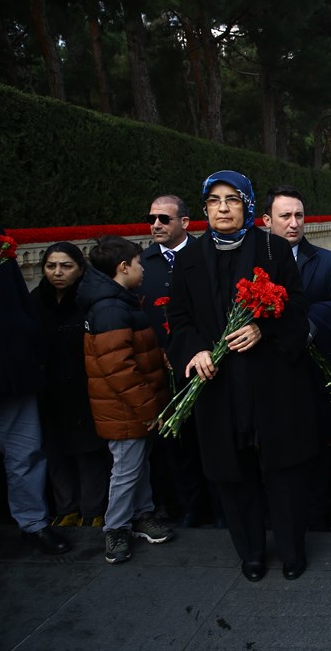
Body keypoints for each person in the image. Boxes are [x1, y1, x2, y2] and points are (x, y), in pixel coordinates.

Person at [167, 170, 317, 582]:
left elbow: (298, 310)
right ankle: (250, 553)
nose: (223, 207)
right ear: (204, 209)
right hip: (219, 387)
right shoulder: (189, 258)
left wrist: (261, 329)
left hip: (270, 383)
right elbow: (178, 319)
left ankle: (291, 551)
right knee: (233, 474)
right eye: (214, 200)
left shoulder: (272, 248)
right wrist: (196, 349)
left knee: (283, 472)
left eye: (232, 199)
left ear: (248, 205)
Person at [262, 185, 331, 531]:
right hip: (270, 377)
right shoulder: (256, 261)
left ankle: (319, 516)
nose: (293, 223)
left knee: (318, 450)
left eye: (299, 215)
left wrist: (306, 322)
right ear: (267, 220)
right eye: (285, 216)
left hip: (315, 375)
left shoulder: (327, 262)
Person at [78, 236, 174, 564]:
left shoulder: (120, 301)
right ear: (123, 267)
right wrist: (149, 409)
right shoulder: (110, 308)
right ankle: (116, 527)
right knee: (126, 469)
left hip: (131, 406)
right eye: (138, 263)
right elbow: (119, 369)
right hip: (126, 408)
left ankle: (142, 515)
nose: (142, 268)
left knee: (137, 464)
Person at [0, 220, 71, 555]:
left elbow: (20, 304)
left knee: (25, 454)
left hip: (12, 374)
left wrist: (30, 350)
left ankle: (33, 524)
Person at [139, 194, 211, 529]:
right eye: (152, 219)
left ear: (185, 222)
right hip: (161, 373)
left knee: (208, 438)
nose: (156, 225)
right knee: (174, 442)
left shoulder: (205, 255)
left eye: (164, 219)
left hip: (205, 367)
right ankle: (187, 507)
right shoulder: (144, 263)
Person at [30, 243, 110, 528]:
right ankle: (67, 509)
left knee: (89, 454)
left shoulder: (90, 299)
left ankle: (93, 511)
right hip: (49, 392)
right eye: (51, 266)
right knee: (57, 453)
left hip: (85, 389)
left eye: (66, 266)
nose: (58, 273)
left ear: (80, 268)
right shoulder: (36, 301)